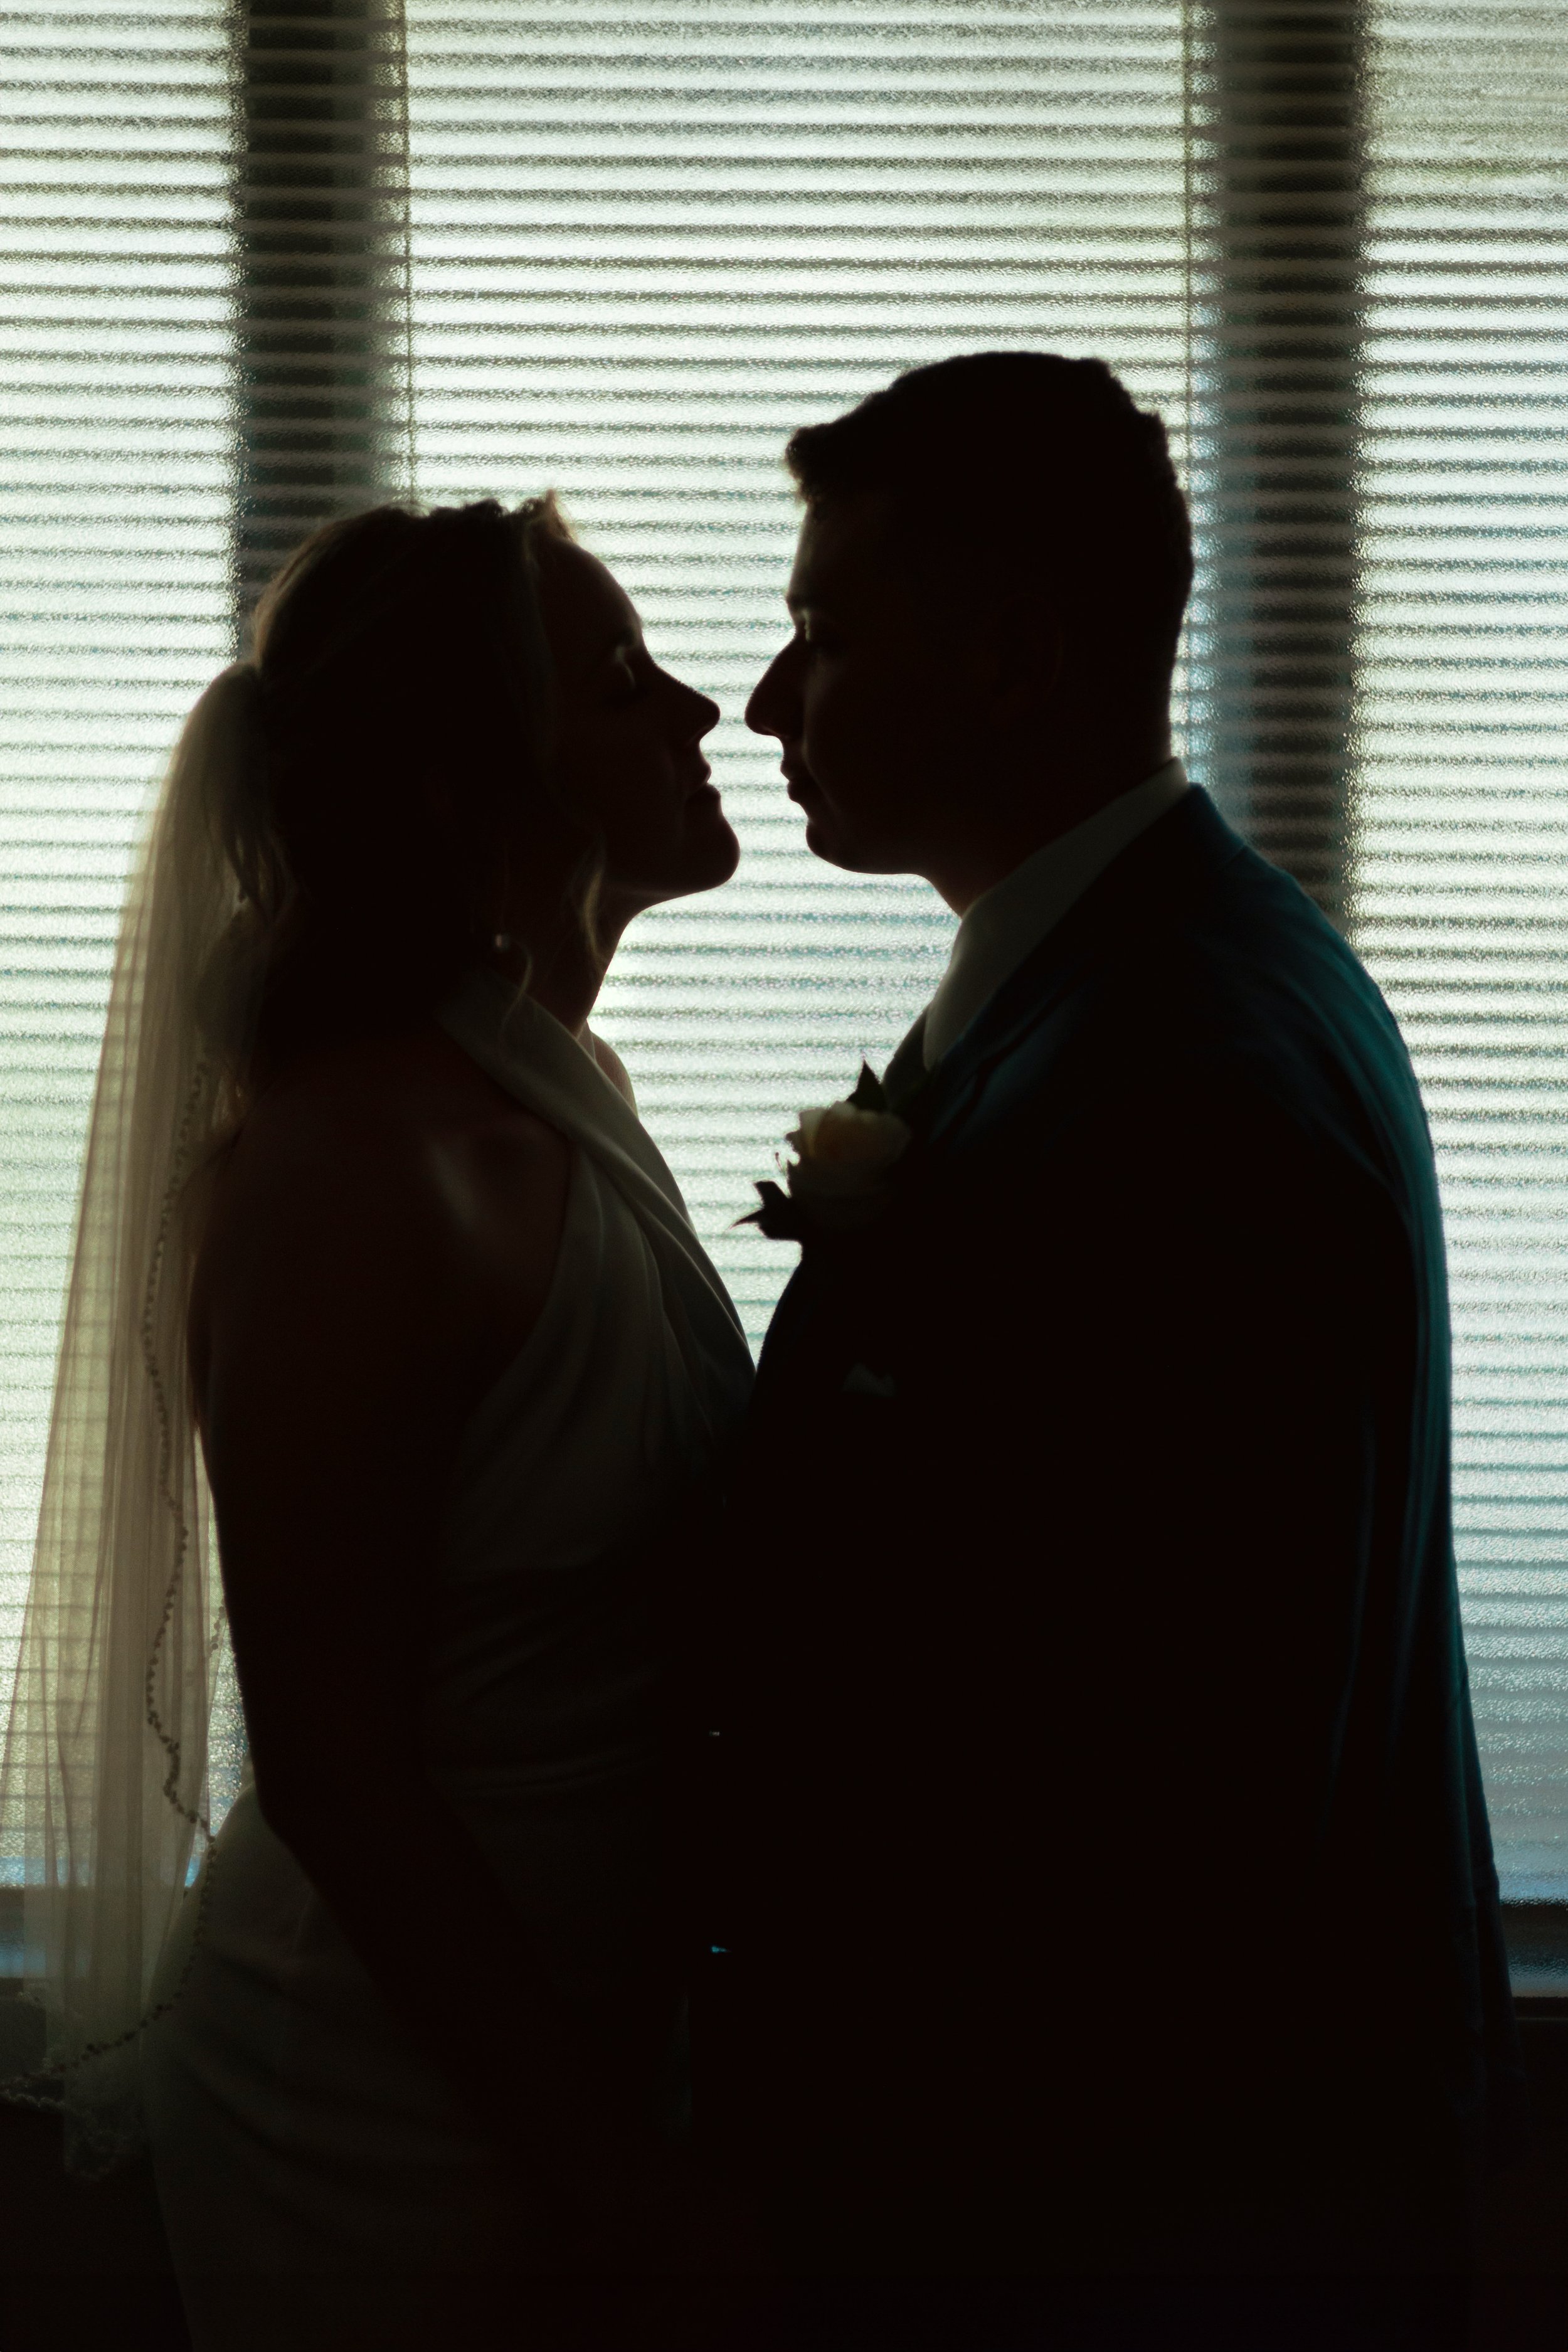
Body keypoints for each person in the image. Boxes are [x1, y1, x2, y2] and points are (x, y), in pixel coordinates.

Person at [699, 352, 1523, 2349]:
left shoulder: (1195, 1069)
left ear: (1006, 660)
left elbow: (1189, 1772)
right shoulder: (1127, 983)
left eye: (820, 627)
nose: (764, 700)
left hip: (1127, 2215)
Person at [4, 495, 761, 2348]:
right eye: (618, 678)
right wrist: (595, 2161)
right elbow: (341, 1762)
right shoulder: (360, 1166)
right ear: (459, 788)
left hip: (585, 2023)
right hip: (385, 2087)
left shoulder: (565, 1082)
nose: (703, 711)